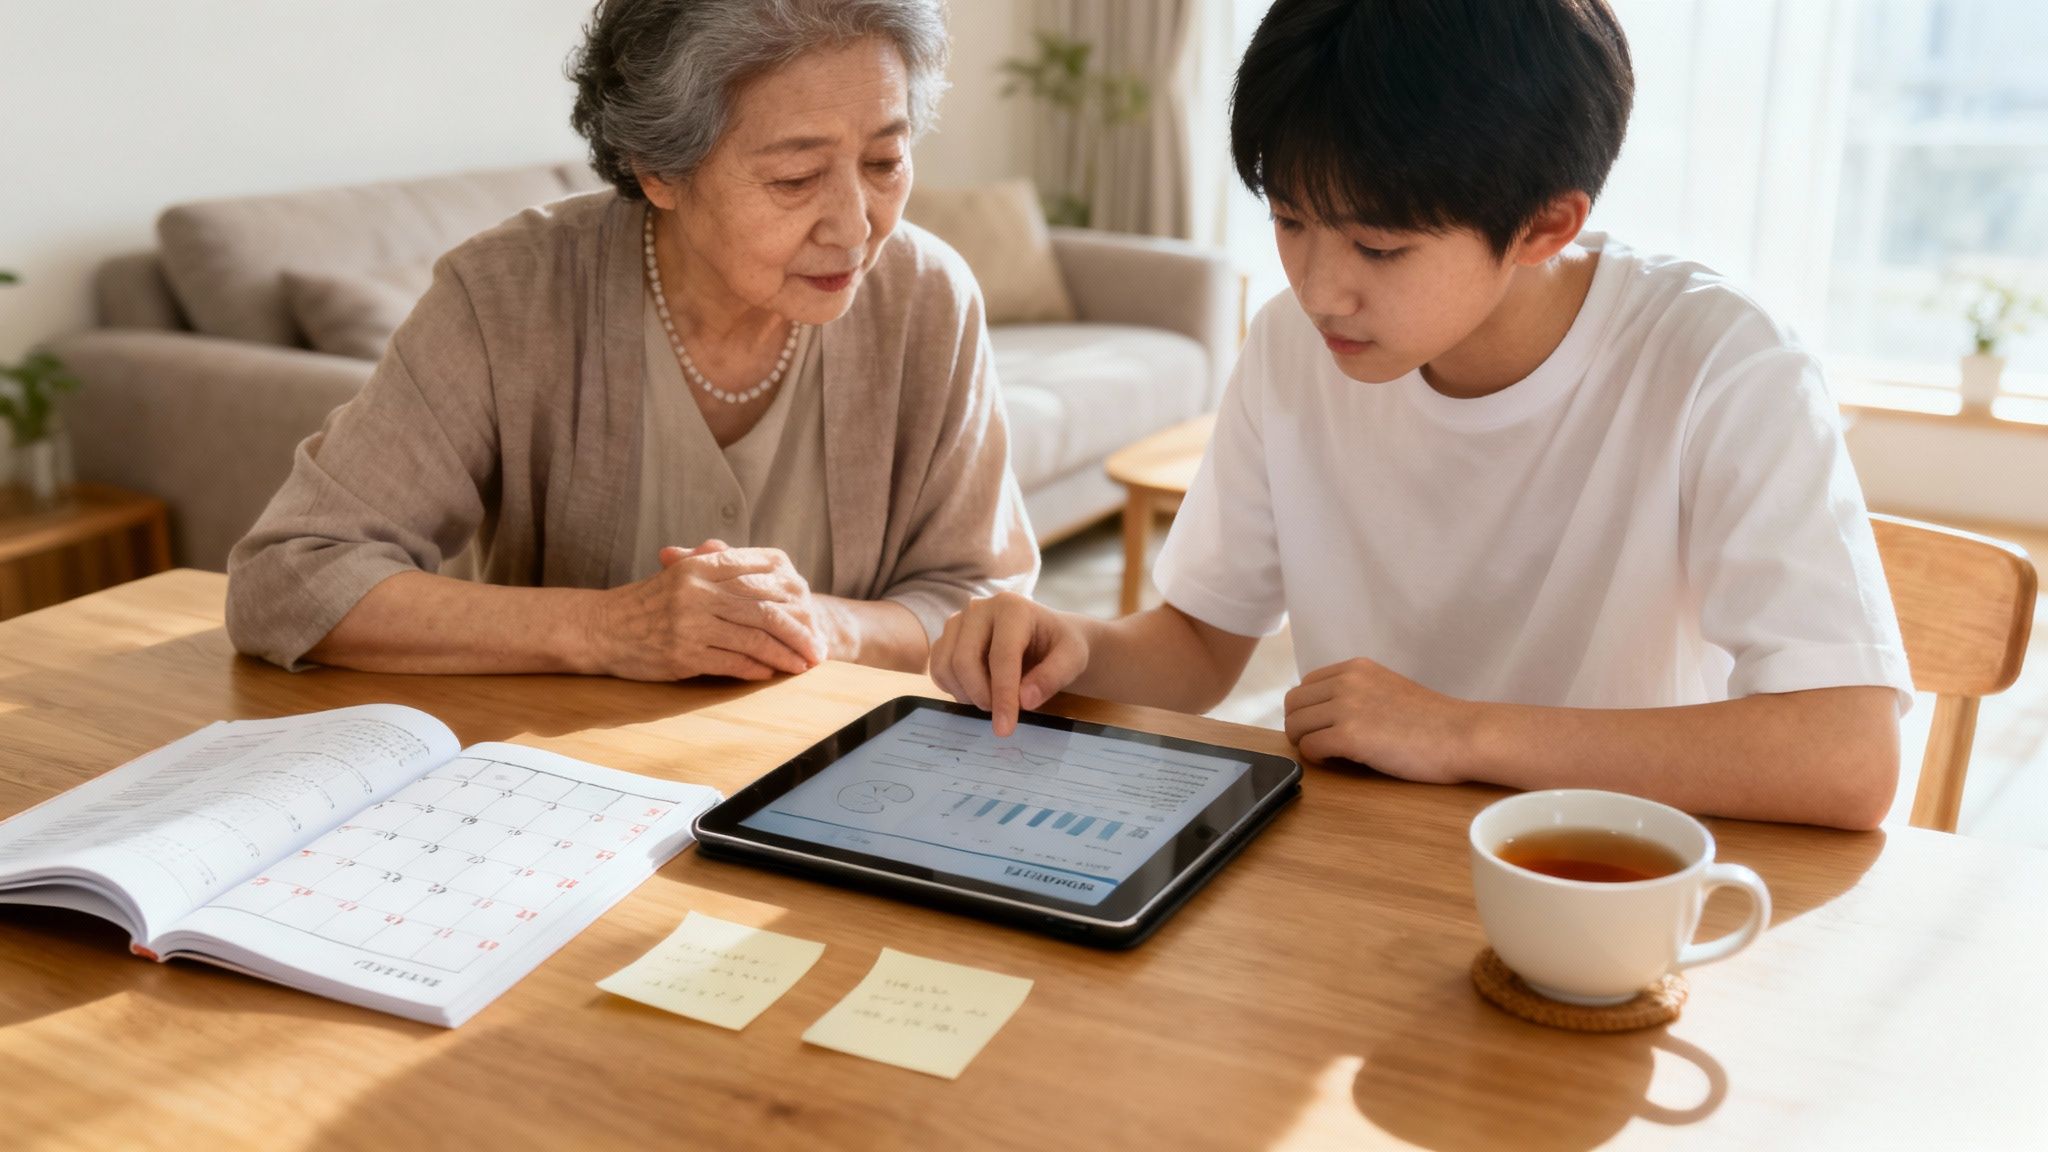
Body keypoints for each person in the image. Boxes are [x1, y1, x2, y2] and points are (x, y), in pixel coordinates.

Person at [930, 0, 1911, 830]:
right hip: (1361, 857)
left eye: (1379, 248)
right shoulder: (1290, 347)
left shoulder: (1718, 364)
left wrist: (1458, 732)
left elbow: (1845, 755)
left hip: (1599, 875)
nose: (1319, 290)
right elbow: (1199, 644)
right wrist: (1073, 648)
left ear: (1544, 226)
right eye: (1288, 220)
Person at [227, 0, 1036, 681]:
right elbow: (289, 577)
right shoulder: (507, 295)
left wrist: (823, 626)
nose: (858, 227)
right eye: (795, 179)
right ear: (658, 170)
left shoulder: (926, 297)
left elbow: (977, 596)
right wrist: (610, 629)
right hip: (557, 789)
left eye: (886, 160)